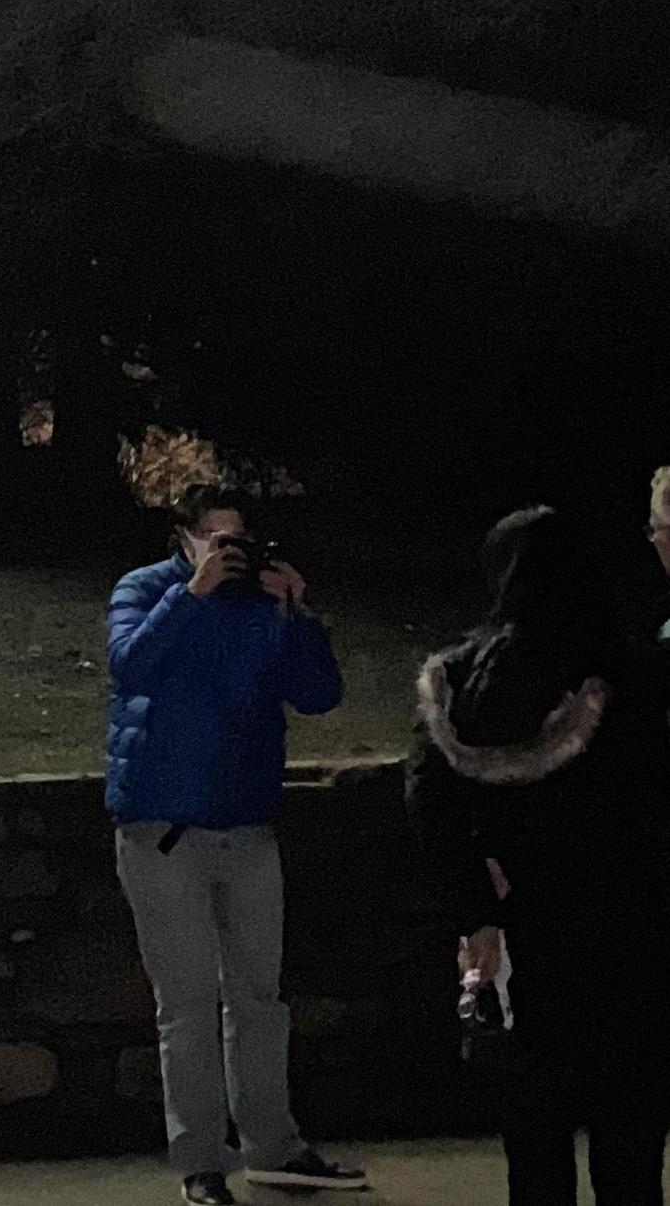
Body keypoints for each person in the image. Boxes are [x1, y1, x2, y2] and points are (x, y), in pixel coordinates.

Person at [106, 481, 366, 1202]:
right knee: (186, 1004)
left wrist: (297, 612)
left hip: (246, 823)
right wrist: (189, 594)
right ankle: (200, 1165)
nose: (230, 554)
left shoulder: (262, 606)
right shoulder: (144, 590)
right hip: (164, 828)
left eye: (239, 541)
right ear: (184, 538)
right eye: (217, 539)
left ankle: (274, 1146)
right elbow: (131, 666)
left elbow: (318, 695)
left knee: (260, 996)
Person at [409, 504, 670, 1206]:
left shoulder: (461, 682)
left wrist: (476, 911)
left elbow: (433, 811)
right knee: (630, 1139)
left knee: (535, 1141)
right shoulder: (631, 674)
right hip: (631, 932)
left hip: (520, 928)